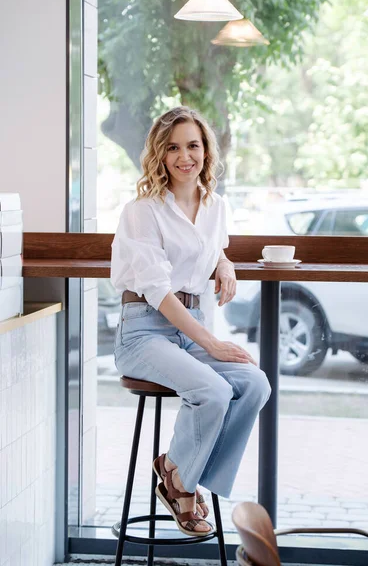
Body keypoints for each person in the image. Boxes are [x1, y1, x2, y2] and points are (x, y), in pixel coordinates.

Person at [111, 106, 271, 537]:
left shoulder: (216, 206)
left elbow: (206, 246)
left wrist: (225, 262)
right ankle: (181, 487)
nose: (186, 156)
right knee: (214, 390)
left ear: (207, 151)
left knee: (256, 384)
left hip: (191, 326)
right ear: (160, 155)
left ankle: (178, 470)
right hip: (144, 330)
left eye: (194, 146)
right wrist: (213, 344)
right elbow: (159, 291)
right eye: (174, 147)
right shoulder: (142, 210)